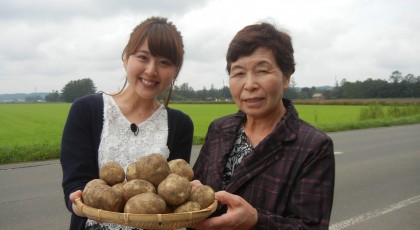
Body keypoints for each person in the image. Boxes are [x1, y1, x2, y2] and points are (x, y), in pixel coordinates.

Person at [192, 22, 335, 230]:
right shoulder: (219, 129)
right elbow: (196, 192)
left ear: (286, 77)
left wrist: (256, 220)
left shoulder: (313, 146)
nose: (249, 85)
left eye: (262, 71)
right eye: (238, 73)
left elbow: (312, 227)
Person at [60, 16, 193, 230]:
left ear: (175, 71)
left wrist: (189, 193)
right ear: (126, 58)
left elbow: (172, 194)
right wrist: (77, 201)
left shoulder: (181, 124)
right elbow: (75, 182)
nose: (151, 70)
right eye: (143, 57)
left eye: (164, 62)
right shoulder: (86, 110)